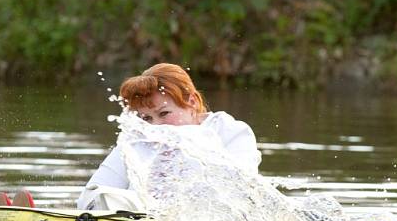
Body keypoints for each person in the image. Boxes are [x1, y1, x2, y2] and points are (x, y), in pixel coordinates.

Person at [77, 63, 261, 211]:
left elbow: (239, 193)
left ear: (192, 102)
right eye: (146, 118)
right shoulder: (136, 137)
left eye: (164, 113)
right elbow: (90, 199)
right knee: (106, 198)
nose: (156, 126)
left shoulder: (230, 132)